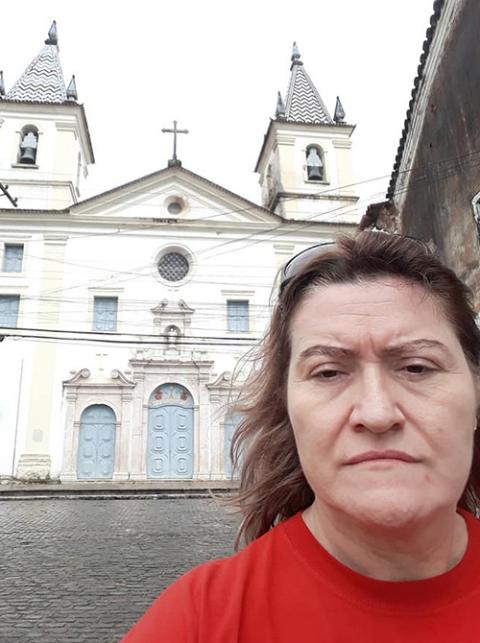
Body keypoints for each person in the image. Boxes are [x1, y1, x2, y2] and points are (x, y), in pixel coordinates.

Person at [122, 231, 480, 642]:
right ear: (287, 409)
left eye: (417, 367)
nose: (378, 413)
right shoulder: (200, 620)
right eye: (328, 372)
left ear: (476, 394)